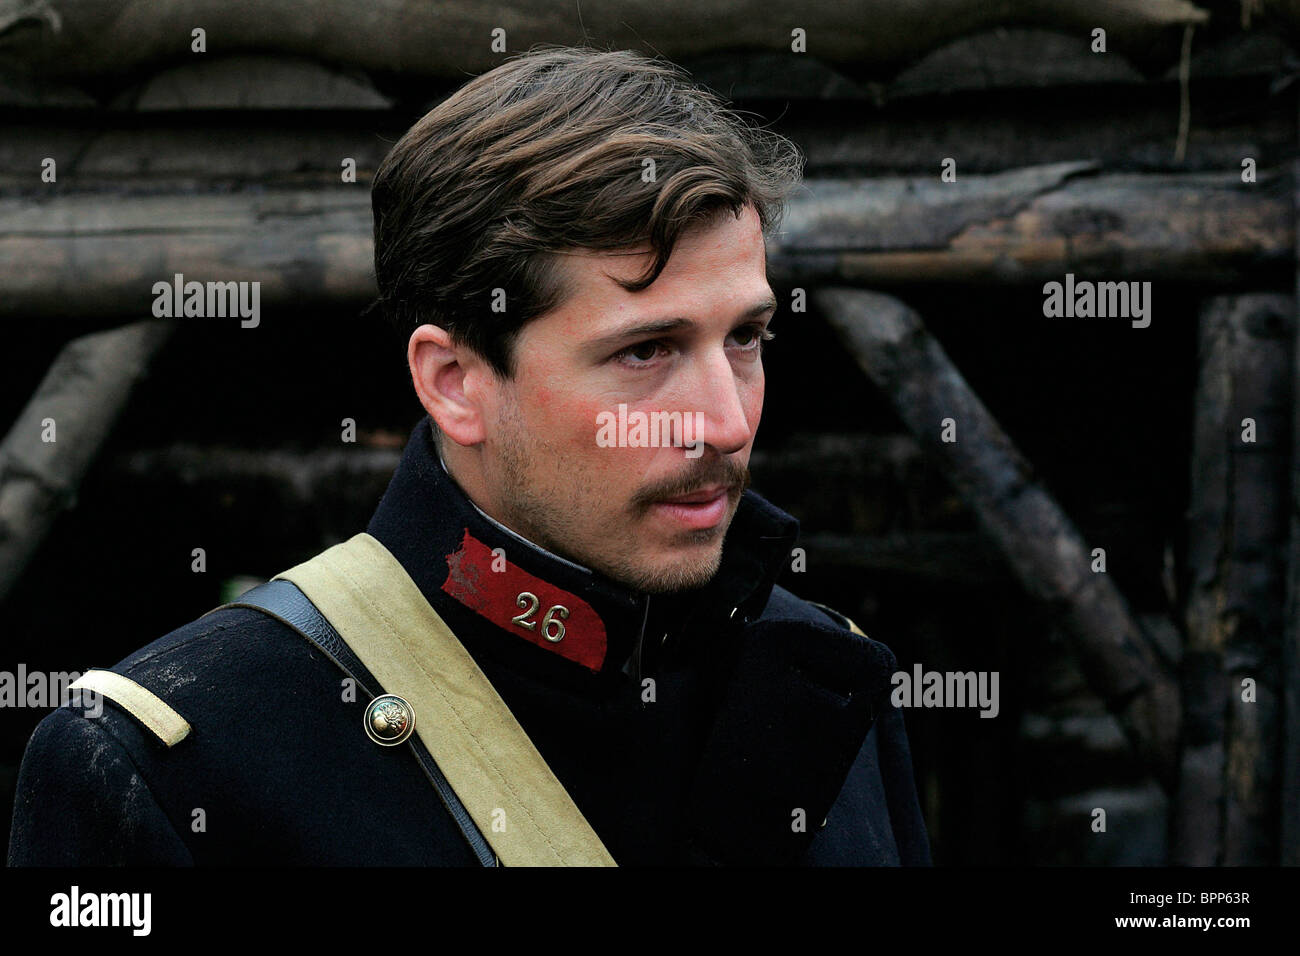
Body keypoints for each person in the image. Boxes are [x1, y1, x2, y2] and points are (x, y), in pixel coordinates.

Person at [7, 45, 931, 866]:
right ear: (455, 381)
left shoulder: (822, 677)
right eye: (644, 352)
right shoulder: (171, 762)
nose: (725, 424)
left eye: (745, 338)